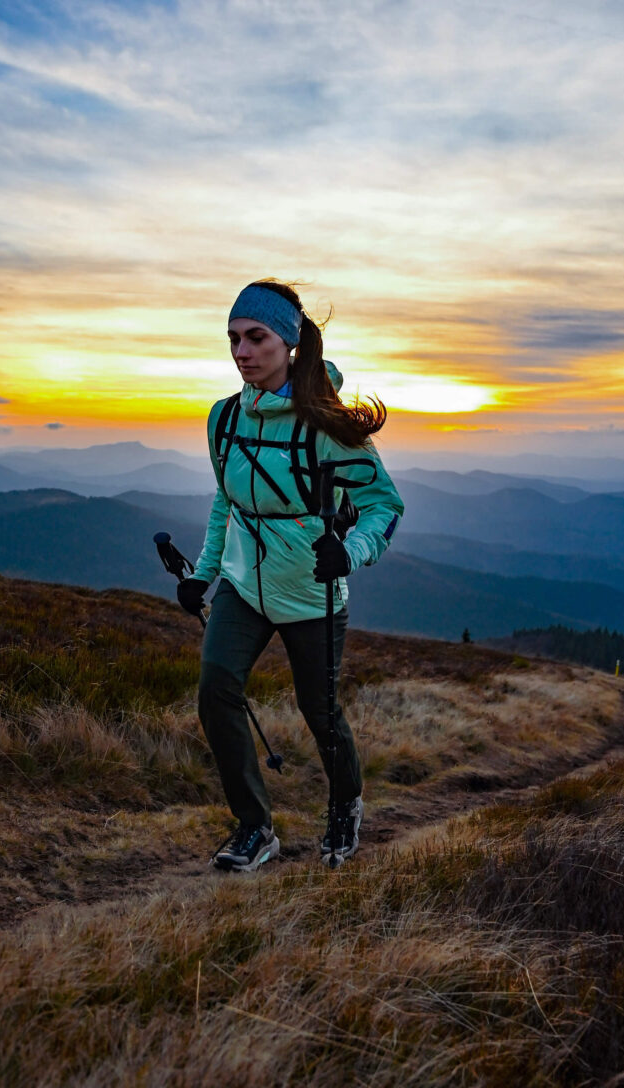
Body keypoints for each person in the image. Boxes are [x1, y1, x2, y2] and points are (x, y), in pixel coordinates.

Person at [176, 280, 404, 872]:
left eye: (256, 337)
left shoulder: (324, 425)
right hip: (243, 588)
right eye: (233, 339)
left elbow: (384, 505)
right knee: (215, 688)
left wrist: (350, 553)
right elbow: (227, 502)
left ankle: (345, 804)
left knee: (319, 709)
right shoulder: (224, 419)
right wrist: (204, 576)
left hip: (311, 588)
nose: (241, 351)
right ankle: (255, 827)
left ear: (290, 343)